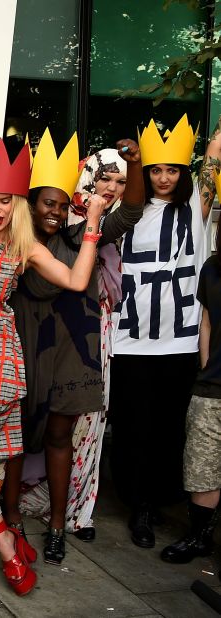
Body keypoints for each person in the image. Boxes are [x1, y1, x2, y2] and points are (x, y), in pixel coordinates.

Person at [0, 138, 104, 597]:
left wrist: (90, 225)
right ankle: (2, 541)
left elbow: (77, 279)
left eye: (5, 201)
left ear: (17, 203)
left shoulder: (25, 246)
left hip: (1, 357)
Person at [2, 133, 144, 565]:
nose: (56, 211)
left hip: (69, 354)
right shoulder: (10, 244)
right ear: (30, 204)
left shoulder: (83, 236)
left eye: (63, 204)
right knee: (14, 442)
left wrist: (135, 165)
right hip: (22, 353)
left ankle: (58, 525)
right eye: (48, 203)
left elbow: (132, 211)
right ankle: (8, 522)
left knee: (59, 438)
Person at [110, 115, 218, 548]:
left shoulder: (195, 208)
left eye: (172, 169)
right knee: (133, 427)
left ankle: (159, 501)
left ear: (182, 172)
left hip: (180, 340)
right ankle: (137, 507)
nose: (164, 177)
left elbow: (210, 167)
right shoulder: (128, 210)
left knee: (171, 428)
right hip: (131, 339)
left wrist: (215, 140)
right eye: (157, 169)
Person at [161, 217, 221, 564]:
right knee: (202, 466)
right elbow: (208, 321)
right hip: (211, 386)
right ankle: (199, 536)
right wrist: (205, 366)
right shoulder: (212, 267)